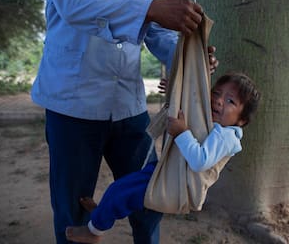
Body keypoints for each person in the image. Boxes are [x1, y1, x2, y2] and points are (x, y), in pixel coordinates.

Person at [31, 0, 218, 243]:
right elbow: (75, 4)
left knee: (150, 196)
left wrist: (192, 57)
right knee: (74, 206)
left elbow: (160, 37)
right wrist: (150, 9)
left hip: (129, 109)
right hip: (73, 110)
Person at [64, 72, 261, 243]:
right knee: (119, 187)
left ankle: (94, 231)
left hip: (178, 186)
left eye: (230, 101)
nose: (218, 100)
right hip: (167, 170)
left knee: (124, 195)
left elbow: (200, 161)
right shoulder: (210, 119)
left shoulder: (226, 136)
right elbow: (191, 108)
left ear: (241, 120)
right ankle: (101, 214)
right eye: (216, 93)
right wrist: (176, 93)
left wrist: (182, 133)